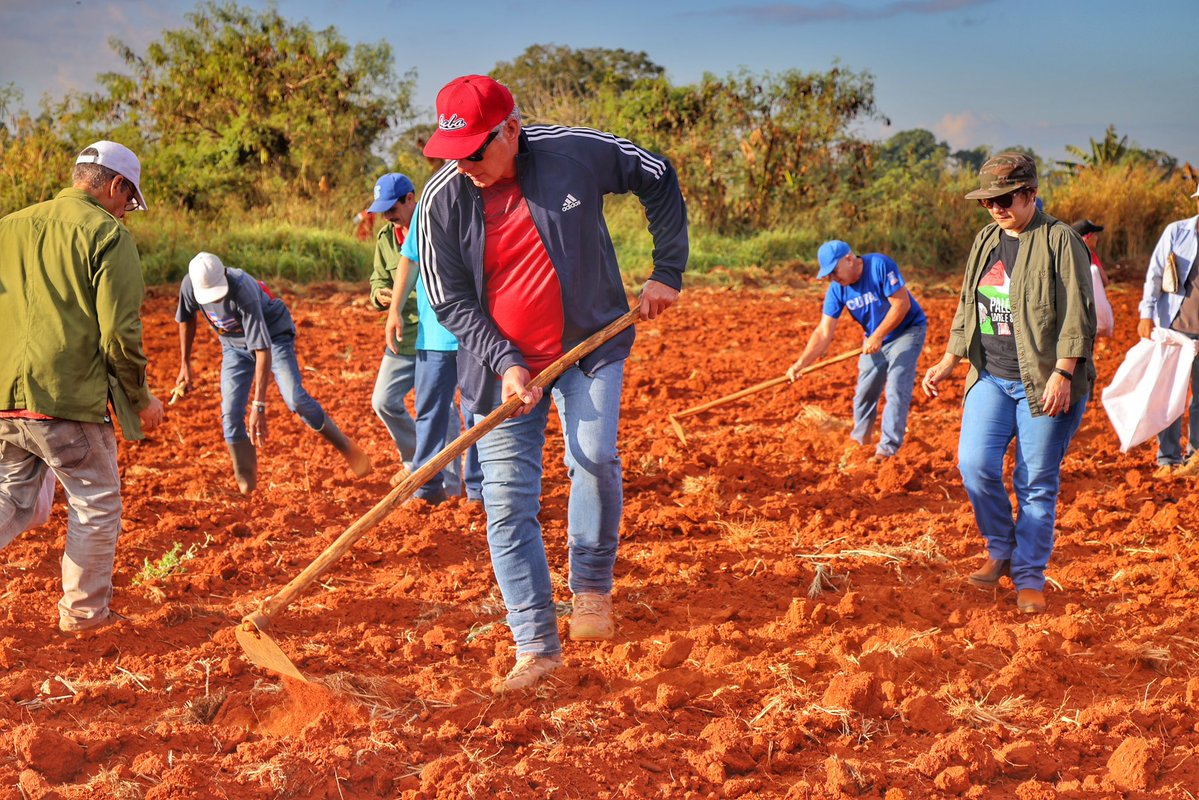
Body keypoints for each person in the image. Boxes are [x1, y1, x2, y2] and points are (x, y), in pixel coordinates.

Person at [417, 75, 688, 692]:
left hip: (588, 347)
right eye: (452, 154)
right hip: (500, 371)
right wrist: (505, 360)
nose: (465, 166)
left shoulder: (573, 151)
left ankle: (591, 587)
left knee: (592, 457)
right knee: (506, 503)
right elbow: (449, 298)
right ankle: (535, 646)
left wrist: (667, 269)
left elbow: (658, 174)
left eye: (476, 152)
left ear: (510, 130)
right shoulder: (442, 199)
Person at [0, 140, 165, 633]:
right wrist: (141, 399)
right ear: (115, 185)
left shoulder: (8, 226)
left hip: (6, 393)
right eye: (128, 200)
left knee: (11, 497)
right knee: (96, 501)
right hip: (65, 396)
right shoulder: (106, 235)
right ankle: (85, 616)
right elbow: (119, 333)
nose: (126, 211)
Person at [922, 152, 1095, 615]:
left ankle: (1029, 574)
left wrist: (1064, 371)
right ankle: (1001, 546)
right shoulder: (986, 240)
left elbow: (1079, 313)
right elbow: (967, 304)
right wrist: (948, 360)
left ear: (1031, 194)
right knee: (974, 464)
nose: (997, 208)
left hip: (1044, 380)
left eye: (1005, 199)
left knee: (1036, 480)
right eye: (989, 201)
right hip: (991, 375)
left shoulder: (1061, 241)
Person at [175, 252, 370, 493]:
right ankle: (248, 487)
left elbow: (262, 349)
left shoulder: (242, 289)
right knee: (230, 413)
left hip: (273, 337)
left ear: (224, 275)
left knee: (295, 398)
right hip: (233, 347)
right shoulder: (189, 285)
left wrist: (259, 405)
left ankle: (346, 447)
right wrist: (185, 362)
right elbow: (186, 319)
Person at [785, 240, 927, 458]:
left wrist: (878, 335)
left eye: (834, 272)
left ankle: (887, 450)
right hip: (874, 340)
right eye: (829, 275)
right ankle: (861, 445)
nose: (833, 278)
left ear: (849, 259)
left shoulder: (880, 265)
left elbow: (901, 304)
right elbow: (824, 332)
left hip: (907, 331)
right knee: (865, 393)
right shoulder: (837, 290)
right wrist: (800, 364)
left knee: (897, 387)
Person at [384, 202, 483, 504]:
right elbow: (410, 259)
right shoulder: (431, 205)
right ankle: (426, 489)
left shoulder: (485, 200)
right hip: (435, 332)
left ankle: (480, 492)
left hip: (478, 333)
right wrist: (394, 310)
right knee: (430, 413)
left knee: (478, 414)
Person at [1138, 180, 1199, 475]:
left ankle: (1195, 458)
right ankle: (1168, 458)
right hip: (1176, 327)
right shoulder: (1177, 232)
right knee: (1171, 396)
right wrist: (1146, 313)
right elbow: (1155, 273)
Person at [366, 173, 421, 483]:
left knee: (439, 409)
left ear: (410, 198)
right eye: (382, 209)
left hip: (435, 333)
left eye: (392, 207)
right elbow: (378, 279)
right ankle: (416, 459)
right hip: (402, 333)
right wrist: (380, 296)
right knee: (383, 400)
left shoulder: (433, 228)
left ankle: (449, 475)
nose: (387, 216)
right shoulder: (386, 238)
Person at [1071, 219, 1114, 339]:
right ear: (1087, 237)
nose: (1096, 238)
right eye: (1094, 234)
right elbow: (1105, 281)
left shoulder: (1067, 254)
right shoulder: (1088, 255)